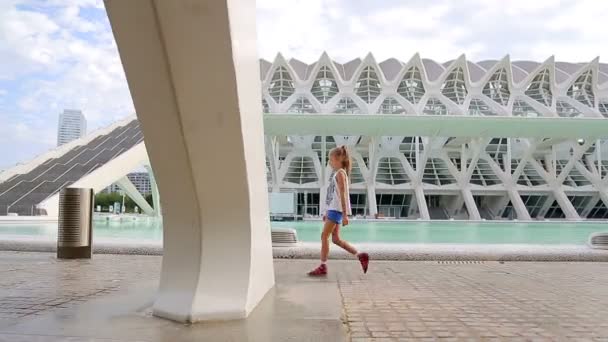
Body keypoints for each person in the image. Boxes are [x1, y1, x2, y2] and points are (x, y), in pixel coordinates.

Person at [308, 145, 369, 276]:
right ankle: (360, 255)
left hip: (336, 210)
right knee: (335, 239)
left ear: (338, 159)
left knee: (324, 236)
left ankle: (323, 266)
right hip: (333, 210)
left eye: (331, 159)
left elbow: (343, 194)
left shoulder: (340, 173)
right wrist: (326, 212)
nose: (330, 162)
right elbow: (333, 194)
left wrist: (345, 215)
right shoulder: (339, 173)